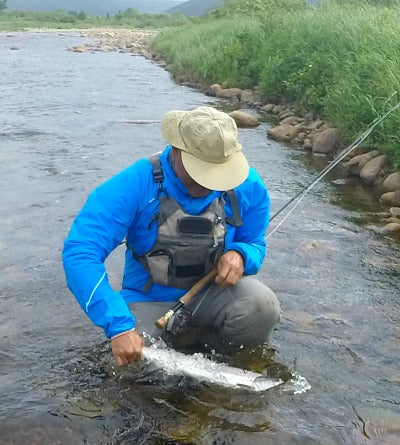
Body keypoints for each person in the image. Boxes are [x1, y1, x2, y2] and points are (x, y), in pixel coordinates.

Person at [63, 106, 280, 367]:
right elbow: (81, 252)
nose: (208, 184)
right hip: (148, 300)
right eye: (200, 173)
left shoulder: (248, 186)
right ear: (177, 150)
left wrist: (242, 255)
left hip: (213, 295)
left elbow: (255, 242)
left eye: (216, 175)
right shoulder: (135, 183)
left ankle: (221, 362)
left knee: (262, 306)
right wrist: (118, 326)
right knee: (131, 367)